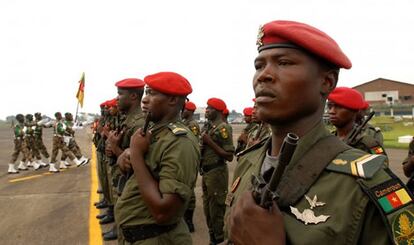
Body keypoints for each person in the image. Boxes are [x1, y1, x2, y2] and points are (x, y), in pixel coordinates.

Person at [226, 20, 413, 245]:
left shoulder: (368, 186)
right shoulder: (249, 160)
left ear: (326, 81)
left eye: (284, 63)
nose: (263, 75)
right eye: (259, 66)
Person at [115, 71, 199, 244]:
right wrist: (125, 155)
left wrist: (136, 155)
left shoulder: (179, 142)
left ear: (173, 100)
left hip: (158, 238)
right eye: (146, 92)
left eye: (152, 93)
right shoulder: (154, 134)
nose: (144, 99)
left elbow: (163, 212)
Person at [103, 78, 147, 241]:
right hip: (122, 179)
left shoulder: (139, 123)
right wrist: (111, 147)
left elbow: (135, 163)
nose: (116, 99)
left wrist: (114, 148)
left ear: (134, 97)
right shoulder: (128, 119)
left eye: (120, 94)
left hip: (131, 183)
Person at [201, 97, 235, 245]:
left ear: (217, 110)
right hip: (207, 172)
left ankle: (219, 238)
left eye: (209, 108)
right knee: (208, 208)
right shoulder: (209, 126)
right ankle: (212, 237)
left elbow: (229, 156)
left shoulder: (223, 128)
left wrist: (209, 142)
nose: (206, 110)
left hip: (217, 172)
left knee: (217, 208)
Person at [327, 87, 386, 156]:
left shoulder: (368, 143)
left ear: (354, 111)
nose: (331, 111)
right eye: (330, 106)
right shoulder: (327, 140)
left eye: (339, 107)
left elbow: (382, 163)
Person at [181, 100, 200, 232]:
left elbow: (192, 143)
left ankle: (189, 221)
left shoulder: (192, 125)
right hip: (184, 158)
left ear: (190, 111)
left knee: (190, 190)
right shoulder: (185, 123)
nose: (182, 112)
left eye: (185, 110)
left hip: (190, 159)